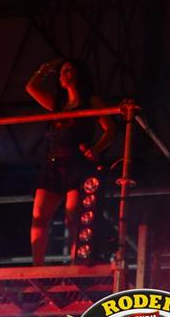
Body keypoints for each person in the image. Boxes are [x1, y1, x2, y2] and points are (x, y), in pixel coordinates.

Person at [25, 58, 116, 266]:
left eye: (67, 70)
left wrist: (97, 149)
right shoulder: (57, 104)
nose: (62, 75)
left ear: (78, 74)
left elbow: (110, 129)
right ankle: (37, 268)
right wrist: (47, 67)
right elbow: (31, 87)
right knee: (39, 216)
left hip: (77, 164)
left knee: (73, 217)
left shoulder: (91, 101)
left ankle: (76, 264)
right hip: (52, 164)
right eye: (61, 72)